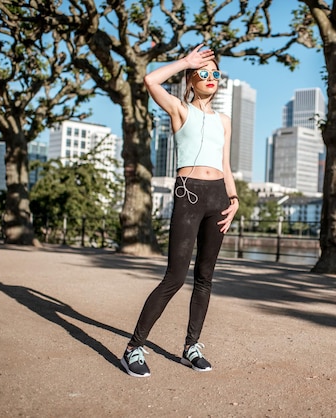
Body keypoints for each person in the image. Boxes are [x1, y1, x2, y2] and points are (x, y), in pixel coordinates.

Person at [120, 44, 239, 377]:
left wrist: (234, 199)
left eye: (216, 73)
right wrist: (186, 61)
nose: (211, 78)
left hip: (218, 197)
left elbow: (225, 164)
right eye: (204, 73)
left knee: (205, 278)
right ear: (191, 78)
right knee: (174, 277)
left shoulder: (224, 120)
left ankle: (191, 347)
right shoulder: (180, 110)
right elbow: (150, 80)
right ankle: (133, 348)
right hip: (189, 195)